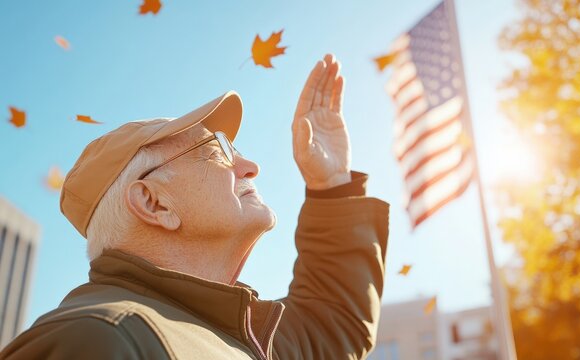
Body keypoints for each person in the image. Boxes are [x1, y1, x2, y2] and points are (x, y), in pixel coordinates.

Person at [0, 53, 389, 359]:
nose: (251, 167)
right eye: (217, 151)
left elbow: (334, 324)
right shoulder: (96, 339)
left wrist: (333, 184)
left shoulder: (239, 336)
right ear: (154, 203)